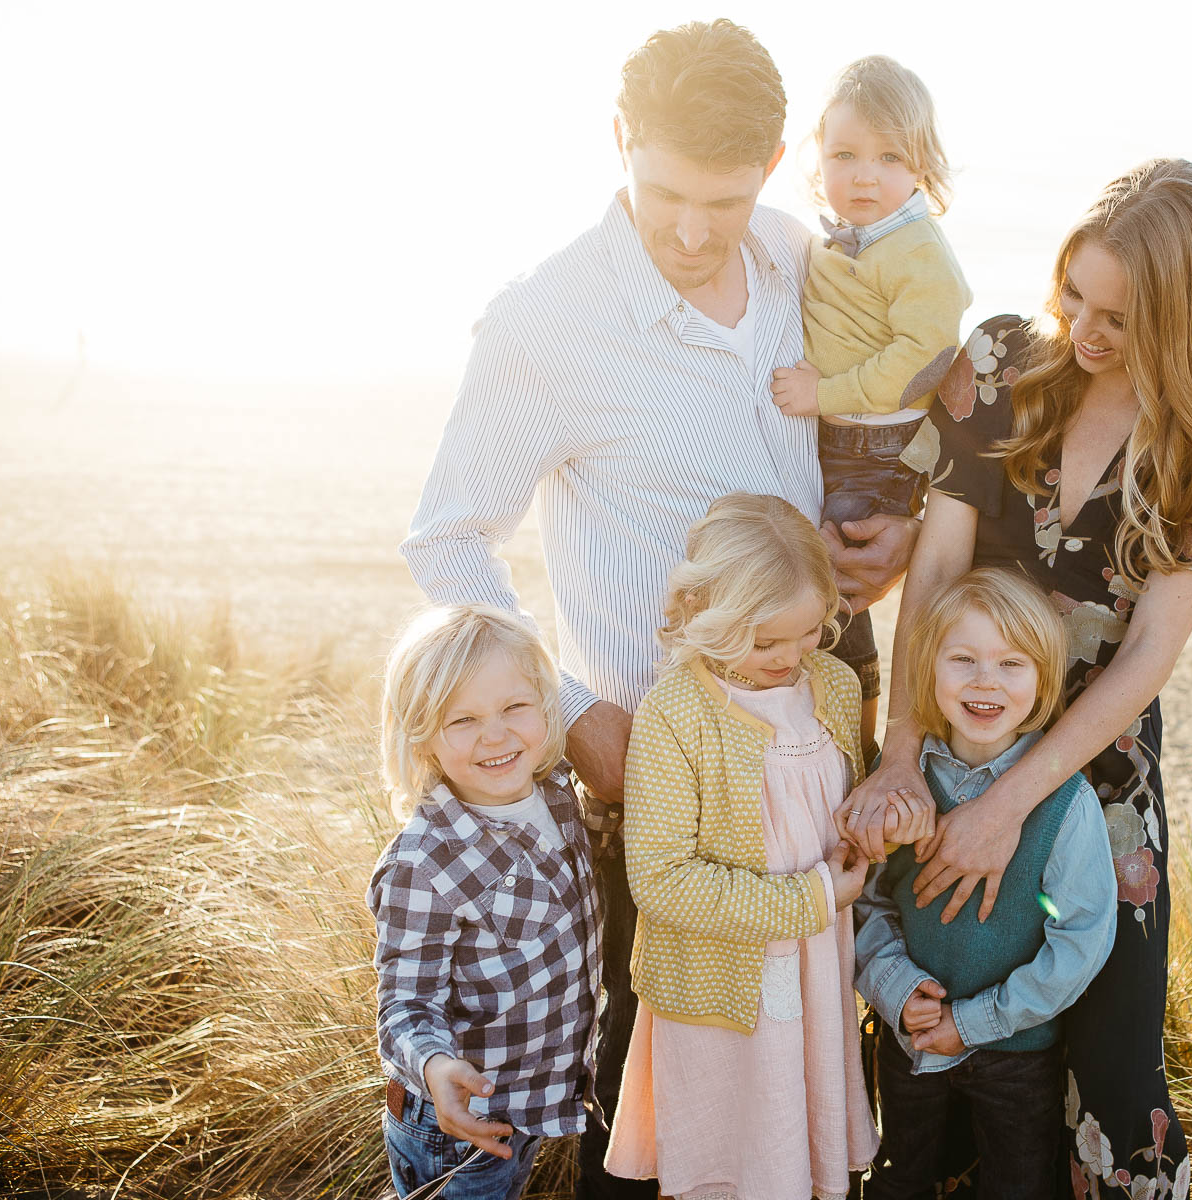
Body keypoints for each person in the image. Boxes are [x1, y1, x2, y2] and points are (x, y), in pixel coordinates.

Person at [398, 21, 918, 1198]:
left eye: (724, 200)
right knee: (661, 1062)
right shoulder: (543, 324)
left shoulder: (797, 254)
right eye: (665, 192)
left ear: (774, 164)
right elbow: (446, 537)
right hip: (663, 750)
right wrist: (571, 712)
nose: (691, 232)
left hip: (822, 707)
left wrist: (892, 521)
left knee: (819, 1014)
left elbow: (874, 406)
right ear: (619, 140)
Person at [847, 158, 1192, 1197]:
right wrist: (902, 755)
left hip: (1101, 770)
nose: (1084, 329)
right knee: (930, 1039)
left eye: (1120, 318)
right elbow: (936, 574)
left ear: (1184, 316)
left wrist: (1011, 808)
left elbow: (1148, 655)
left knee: (1112, 1062)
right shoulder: (1001, 360)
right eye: (1074, 294)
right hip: (955, 743)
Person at [604, 494, 901, 1200]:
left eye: (808, 633)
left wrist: (876, 833)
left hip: (817, 970)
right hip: (721, 987)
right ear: (705, 612)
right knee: (737, 1156)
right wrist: (814, 896)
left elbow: (840, 809)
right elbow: (663, 880)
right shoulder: (677, 713)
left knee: (801, 1143)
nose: (790, 657)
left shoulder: (832, 685)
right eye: (766, 642)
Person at [854, 568, 1117, 1200]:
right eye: (963, 659)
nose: (985, 681)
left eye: (1011, 664)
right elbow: (865, 899)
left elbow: (1080, 937)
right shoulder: (903, 781)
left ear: (1043, 680)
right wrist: (894, 986)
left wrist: (976, 1021)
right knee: (896, 1180)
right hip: (910, 1036)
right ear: (928, 669)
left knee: (1016, 1186)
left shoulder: (1065, 803)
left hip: (1017, 1053)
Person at [768, 55, 970, 750]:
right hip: (842, 435)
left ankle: (857, 731)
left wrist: (821, 393)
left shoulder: (918, 252)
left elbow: (919, 365)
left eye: (889, 158)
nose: (863, 175)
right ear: (817, 157)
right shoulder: (852, 235)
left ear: (922, 166)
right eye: (844, 155)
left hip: (876, 445)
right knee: (818, 578)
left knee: (837, 587)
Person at [369, 605, 600, 1200]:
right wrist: (435, 1066)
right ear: (421, 735)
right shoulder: (425, 861)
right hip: (457, 1121)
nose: (495, 735)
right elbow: (405, 1003)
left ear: (546, 705)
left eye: (514, 707)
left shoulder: (559, 795)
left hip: (530, 1103)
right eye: (463, 719)